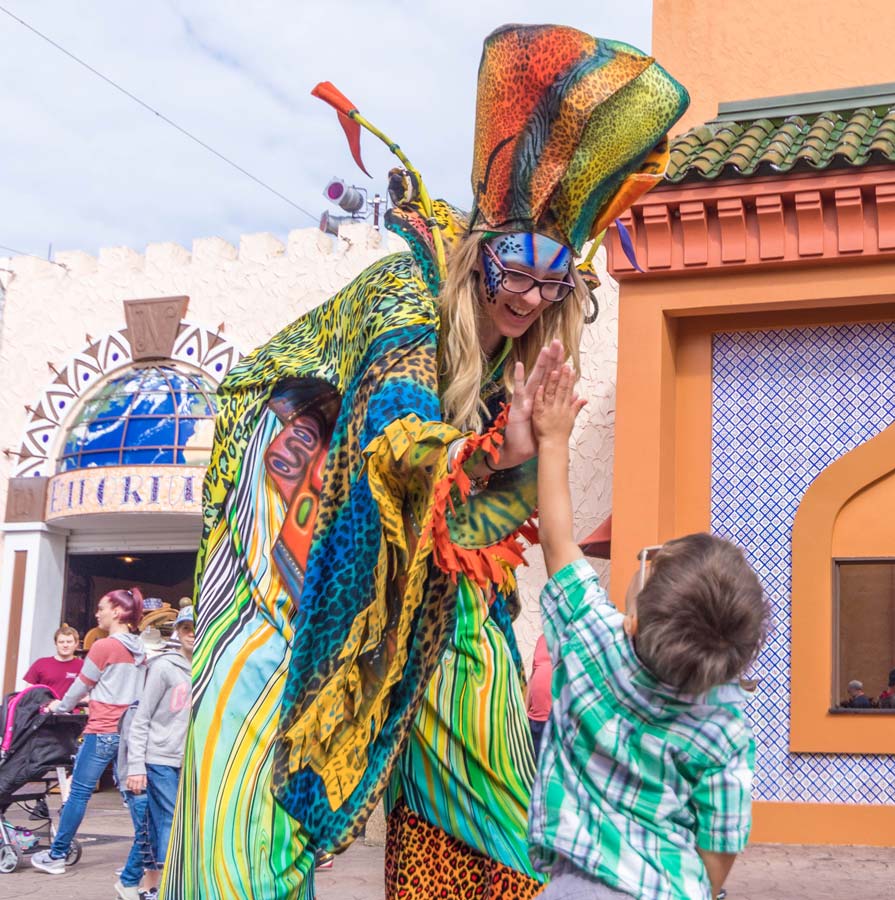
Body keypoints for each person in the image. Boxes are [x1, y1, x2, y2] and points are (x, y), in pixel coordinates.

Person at [163, 23, 688, 899]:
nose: (529, 297)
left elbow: (485, 507)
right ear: (482, 251)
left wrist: (517, 458)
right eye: (516, 271)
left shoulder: (514, 361)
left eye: (554, 285)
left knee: (487, 741)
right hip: (297, 552)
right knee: (245, 807)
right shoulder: (405, 292)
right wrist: (489, 449)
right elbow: (394, 416)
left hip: (423, 569)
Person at [529, 364, 766, 900]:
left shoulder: (591, 637)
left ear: (634, 618)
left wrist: (553, 438)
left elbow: (557, 540)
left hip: (573, 887)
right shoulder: (724, 721)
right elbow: (721, 843)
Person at [30, 588, 145, 876]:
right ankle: (148, 856)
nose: (97, 613)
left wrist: (58, 706)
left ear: (117, 612)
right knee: (133, 795)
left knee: (78, 793)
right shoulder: (140, 648)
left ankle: (56, 855)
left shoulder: (104, 646)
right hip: (129, 731)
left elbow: (78, 687)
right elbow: (122, 688)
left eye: (101, 608)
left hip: (102, 730)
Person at [117, 606, 195, 899]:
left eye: (196, 628)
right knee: (171, 819)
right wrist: (136, 766)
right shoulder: (164, 667)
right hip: (158, 757)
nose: (192, 634)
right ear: (178, 631)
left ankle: (128, 883)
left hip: (185, 760)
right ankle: (165, 887)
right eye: (186, 628)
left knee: (151, 825)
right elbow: (142, 717)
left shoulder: (205, 667)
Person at [22, 624, 83, 699]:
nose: (65, 645)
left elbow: (88, 694)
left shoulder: (83, 666)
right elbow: (28, 692)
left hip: (72, 710)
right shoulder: (41, 663)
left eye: (69, 642)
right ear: (55, 643)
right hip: (44, 709)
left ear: (76, 644)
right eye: (61, 642)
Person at [526, 634, 552, 756]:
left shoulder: (569, 638)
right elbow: (532, 677)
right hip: (534, 718)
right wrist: (524, 712)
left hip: (553, 721)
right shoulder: (542, 638)